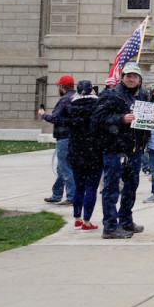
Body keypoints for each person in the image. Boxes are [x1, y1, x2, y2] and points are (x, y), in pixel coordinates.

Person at [94, 63, 152, 239]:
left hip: (135, 149)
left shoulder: (144, 96)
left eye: (134, 76)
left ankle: (126, 220)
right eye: (128, 75)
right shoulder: (111, 95)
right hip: (115, 149)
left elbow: (146, 122)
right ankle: (110, 226)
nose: (131, 79)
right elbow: (97, 119)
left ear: (139, 79)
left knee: (131, 187)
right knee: (112, 188)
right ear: (122, 77)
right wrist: (121, 119)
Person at [57, 80, 102, 229]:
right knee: (91, 188)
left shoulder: (70, 106)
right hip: (94, 150)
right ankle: (87, 221)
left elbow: (59, 120)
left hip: (76, 150)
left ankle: (77, 217)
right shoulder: (98, 107)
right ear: (92, 90)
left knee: (79, 186)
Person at [40, 75, 77, 204]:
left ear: (62, 87)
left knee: (65, 168)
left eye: (58, 86)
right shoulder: (75, 97)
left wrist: (43, 115)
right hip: (73, 137)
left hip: (64, 138)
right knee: (62, 168)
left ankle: (71, 197)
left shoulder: (65, 100)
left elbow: (55, 118)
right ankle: (56, 194)